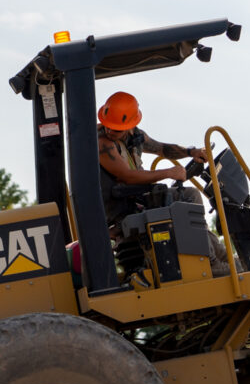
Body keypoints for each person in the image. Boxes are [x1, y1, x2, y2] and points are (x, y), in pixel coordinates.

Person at [96, 91, 230, 275]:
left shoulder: (134, 136)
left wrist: (191, 152)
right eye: (108, 125)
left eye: (116, 128)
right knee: (189, 196)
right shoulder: (102, 143)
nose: (110, 131)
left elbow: (162, 149)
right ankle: (210, 265)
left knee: (186, 201)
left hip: (137, 198)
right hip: (123, 208)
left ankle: (224, 259)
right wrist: (168, 172)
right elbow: (128, 177)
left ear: (130, 125)